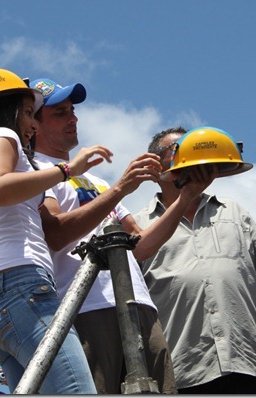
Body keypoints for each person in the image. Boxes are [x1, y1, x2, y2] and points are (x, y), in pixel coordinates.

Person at [30, 78, 213, 394]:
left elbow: (139, 246)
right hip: (86, 311)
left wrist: (186, 198)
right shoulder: (34, 171)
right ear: (31, 124)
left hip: (139, 306)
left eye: (72, 111)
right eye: (60, 113)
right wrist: (120, 189)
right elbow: (55, 233)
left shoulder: (94, 181)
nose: (73, 119)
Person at [0, 68, 107, 394]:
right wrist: (66, 170)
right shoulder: (2, 136)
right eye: (26, 113)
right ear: (5, 111)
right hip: (25, 292)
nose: (33, 123)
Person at [133, 126, 256, 394]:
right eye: (178, 150)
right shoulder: (139, 226)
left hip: (248, 363)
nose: (187, 158)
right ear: (155, 166)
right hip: (183, 370)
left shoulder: (233, 212)